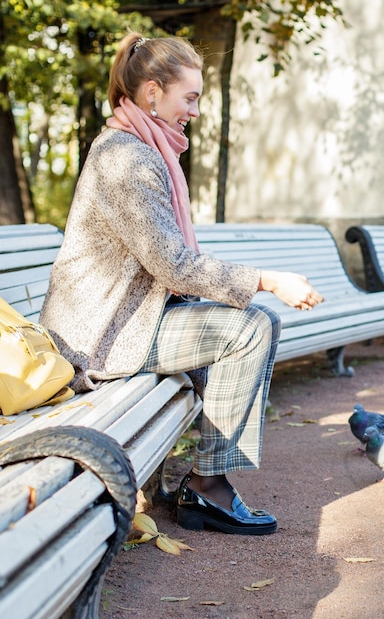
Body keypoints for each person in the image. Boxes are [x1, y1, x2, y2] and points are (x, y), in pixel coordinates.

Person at [39, 32, 323, 536]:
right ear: (152, 93)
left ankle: (202, 479)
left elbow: (168, 262)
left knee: (249, 325)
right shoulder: (126, 159)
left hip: (127, 319)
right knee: (250, 328)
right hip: (102, 336)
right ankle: (208, 486)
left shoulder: (141, 148)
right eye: (188, 98)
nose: (194, 110)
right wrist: (265, 279)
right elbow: (172, 263)